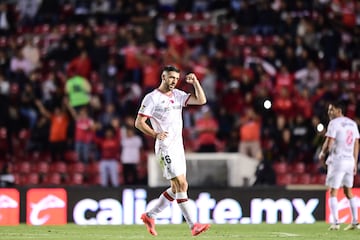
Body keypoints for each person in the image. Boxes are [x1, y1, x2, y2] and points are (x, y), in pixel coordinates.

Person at [135, 65, 210, 236]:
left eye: (176, 79)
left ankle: (149, 216)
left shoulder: (178, 95)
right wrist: (155, 133)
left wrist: (196, 82)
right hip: (165, 147)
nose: (173, 81)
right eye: (170, 78)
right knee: (181, 185)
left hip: (178, 147)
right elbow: (139, 123)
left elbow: (201, 101)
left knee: (178, 188)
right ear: (163, 77)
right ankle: (193, 225)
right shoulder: (152, 98)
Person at [319, 101, 360, 230]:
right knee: (348, 191)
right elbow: (356, 143)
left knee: (333, 191)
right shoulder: (352, 123)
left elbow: (329, 141)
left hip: (338, 161)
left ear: (339, 110)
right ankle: (355, 222)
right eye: (329, 110)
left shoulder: (334, 123)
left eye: (332, 109)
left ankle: (336, 223)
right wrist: (355, 160)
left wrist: (322, 153)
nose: (329, 112)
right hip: (349, 161)